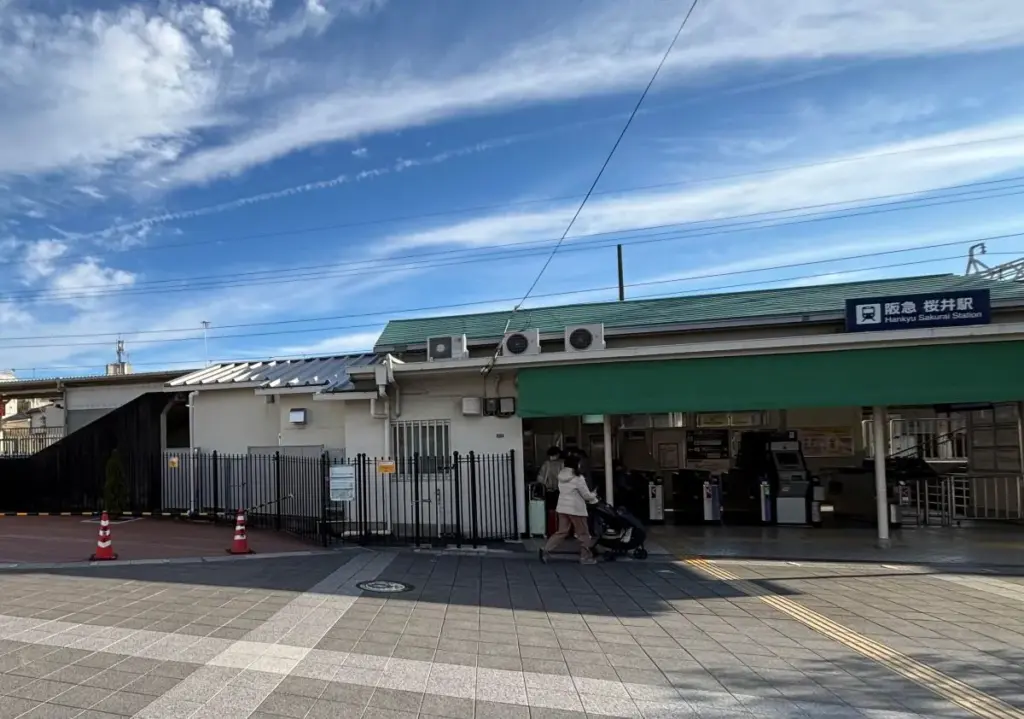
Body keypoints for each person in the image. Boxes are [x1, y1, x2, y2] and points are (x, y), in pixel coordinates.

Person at [540, 455, 599, 564]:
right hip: (576, 509)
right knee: (583, 534)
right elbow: (586, 495)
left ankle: (545, 549)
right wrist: (594, 495)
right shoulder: (578, 478)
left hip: (562, 507)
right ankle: (585, 557)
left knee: (562, 532)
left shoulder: (561, 476)